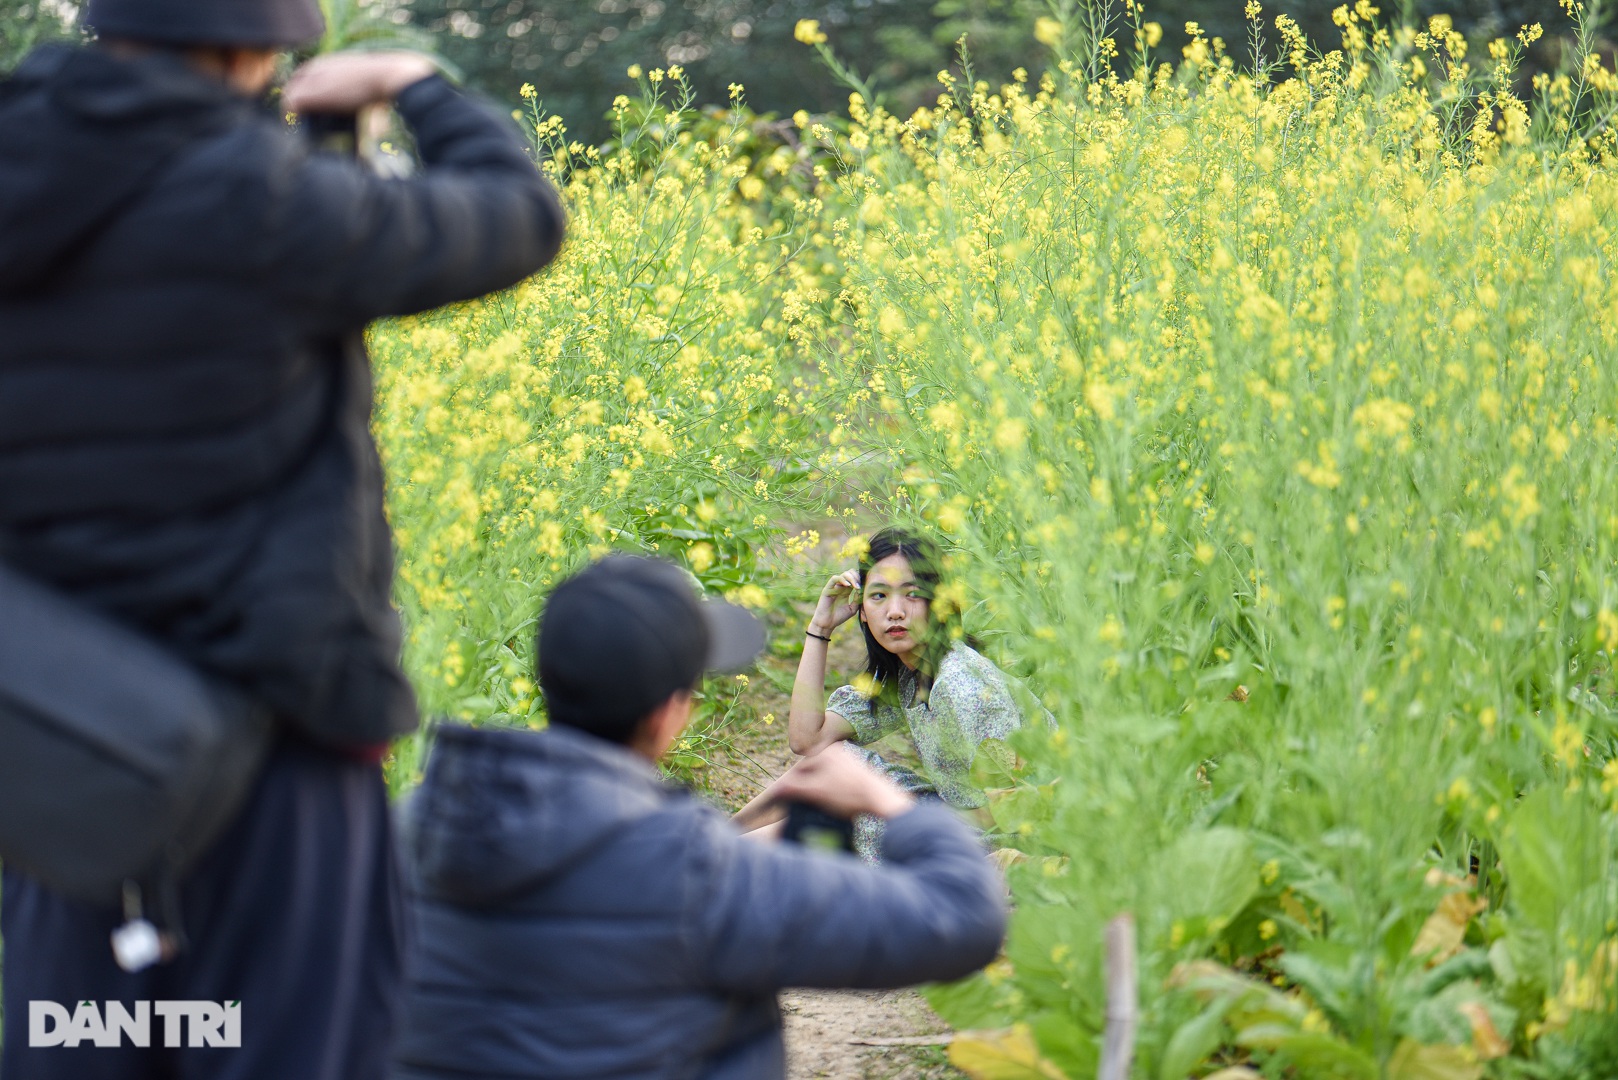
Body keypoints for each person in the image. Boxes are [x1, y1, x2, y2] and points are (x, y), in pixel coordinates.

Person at [0, 0, 564, 1076]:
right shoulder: (260, 198)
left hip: (56, 748)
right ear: (260, 48)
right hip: (274, 746)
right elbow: (516, 215)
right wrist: (418, 88)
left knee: (82, 1050)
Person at [391, 556, 1007, 1080]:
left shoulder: (404, 830)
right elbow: (962, 917)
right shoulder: (705, 874)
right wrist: (891, 804)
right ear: (669, 715)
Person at [750, 527, 1044, 855]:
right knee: (835, 759)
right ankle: (721, 839)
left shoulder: (965, 687)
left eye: (912, 594)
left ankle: (719, 857)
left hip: (996, 840)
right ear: (861, 609)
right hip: (955, 817)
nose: (895, 611)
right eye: (879, 596)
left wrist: (895, 811)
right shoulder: (910, 672)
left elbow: (1016, 808)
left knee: (862, 815)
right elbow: (809, 741)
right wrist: (820, 628)